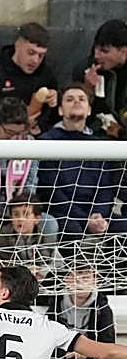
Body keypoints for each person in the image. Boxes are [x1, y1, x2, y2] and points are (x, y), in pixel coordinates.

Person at [37, 84, 123, 242]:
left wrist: (98, 215)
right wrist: (85, 220)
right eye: (69, 99)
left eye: (81, 99)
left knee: (123, 227)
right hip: (62, 213)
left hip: (95, 214)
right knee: (70, 229)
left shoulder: (101, 144)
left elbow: (106, 188)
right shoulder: (47, 141)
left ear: (89, 110)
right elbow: (51, 191)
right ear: (61, 110)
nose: (76, 102)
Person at [0, 23, 58, 128]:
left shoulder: (46, 75)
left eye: (41, 56)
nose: (35, 60)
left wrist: (54, 104)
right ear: (18, 45)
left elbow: (54, 119)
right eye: (31, 53)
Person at [82, 19, 127, 140]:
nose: (97, 56)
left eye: (104, 51)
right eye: (95, 49)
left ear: (123, 51)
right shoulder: (87, 69)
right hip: (99, 137)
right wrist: (87, 91)